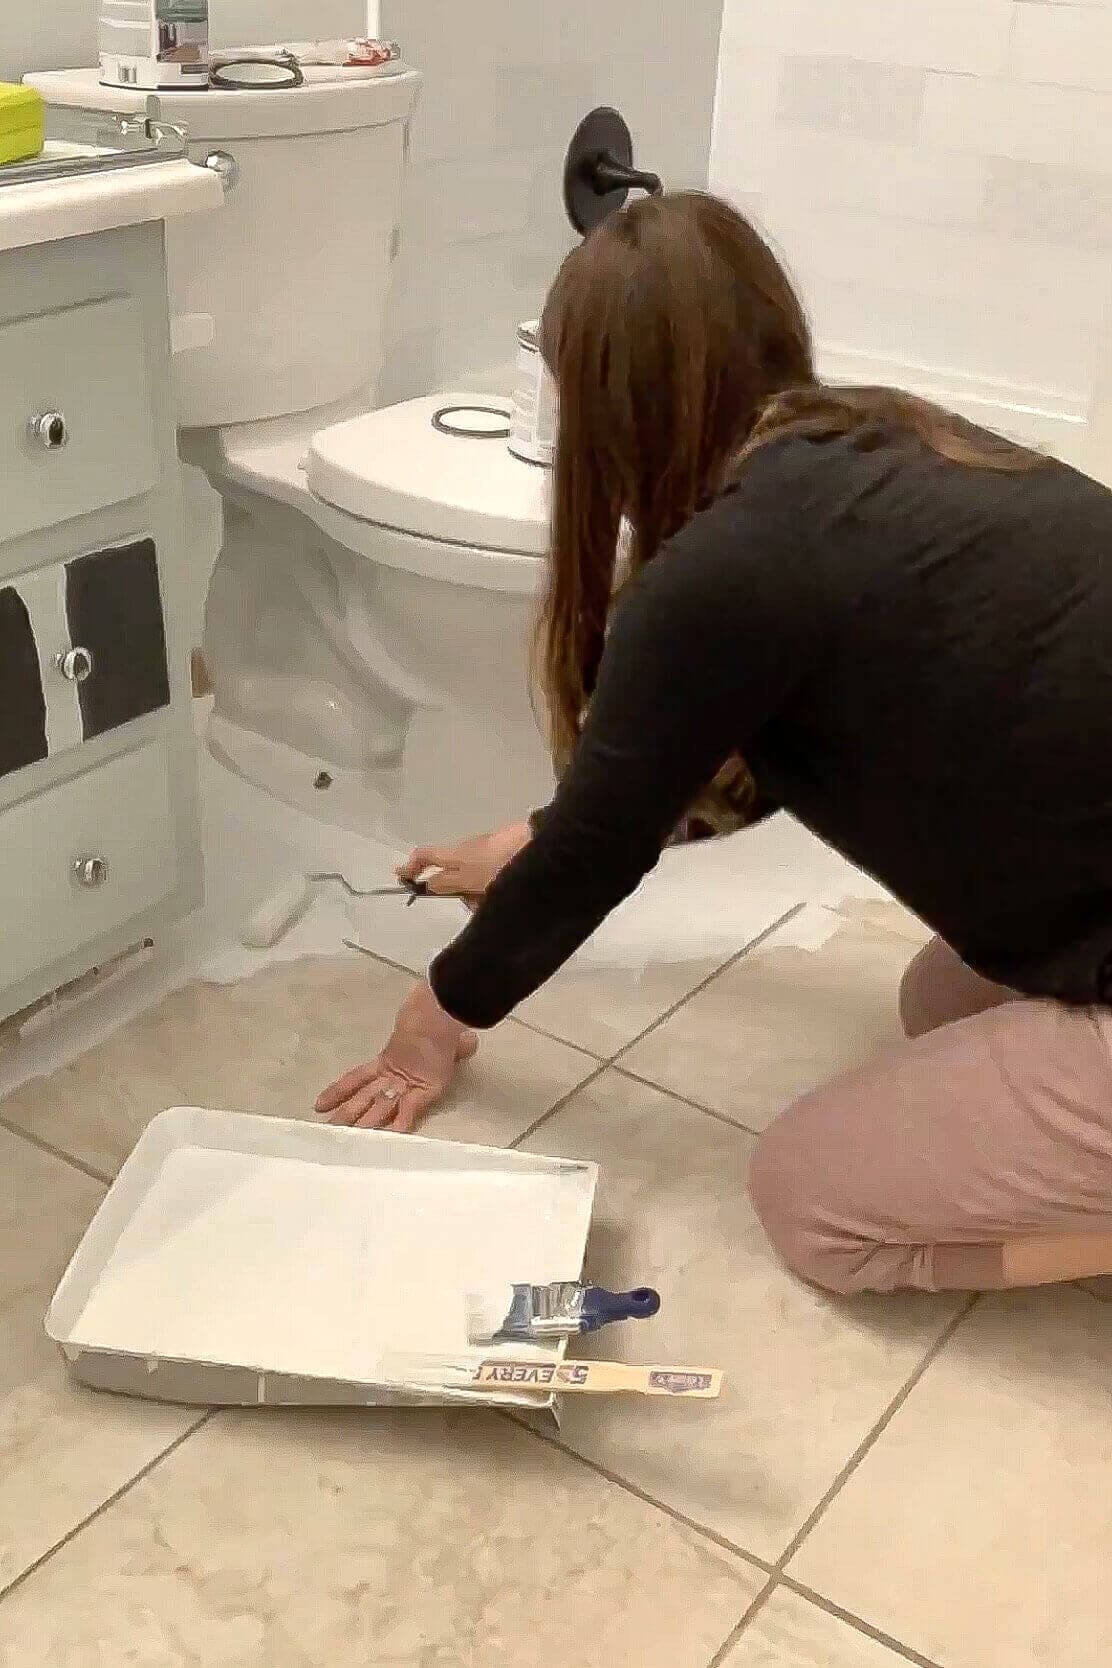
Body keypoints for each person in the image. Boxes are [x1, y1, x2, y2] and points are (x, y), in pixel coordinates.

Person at [315, 191, 1112, 1299]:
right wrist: (530, 838)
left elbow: (601, 851)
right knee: (944, 999)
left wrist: (431, 1021)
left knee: (813, 1206)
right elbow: (721, 762)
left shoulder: (726, 568)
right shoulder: (887, 437)